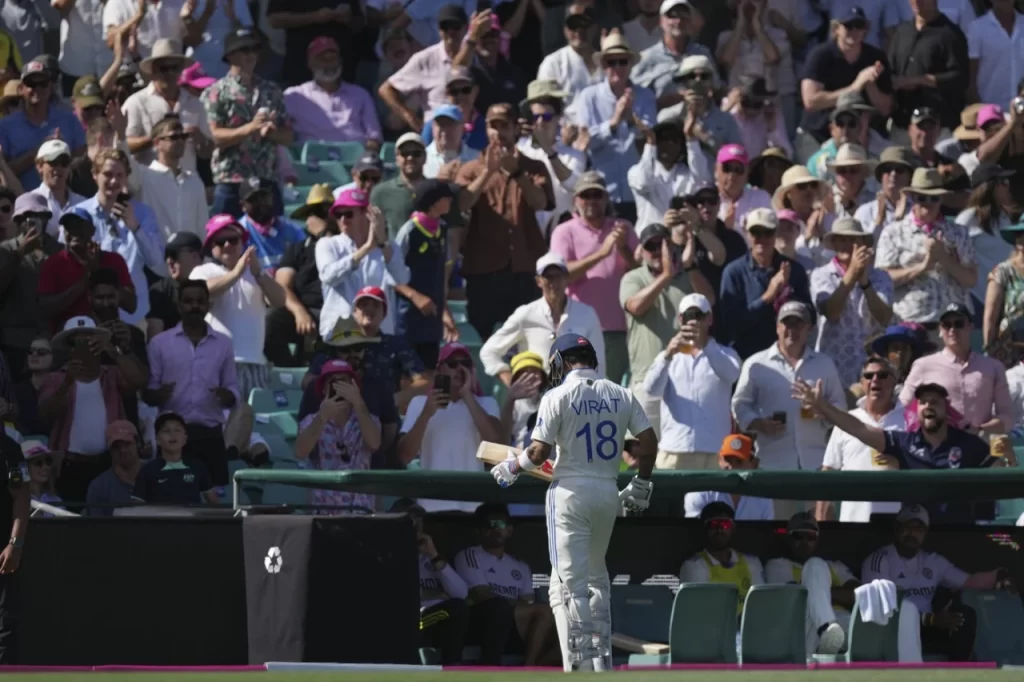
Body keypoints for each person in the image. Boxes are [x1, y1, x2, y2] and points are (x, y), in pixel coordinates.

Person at [489, 333, 658, 672]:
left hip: (570, 492)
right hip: (608, 491)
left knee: (569, 587)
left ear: (562, 362)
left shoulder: (557, 395)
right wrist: (642, 482)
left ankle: (578, 665)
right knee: (595, 577)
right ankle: (601, 662)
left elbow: (538, 453)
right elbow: (649, 442)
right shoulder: (621, 393)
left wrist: (511, 466)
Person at [793, 379, 1002, 523]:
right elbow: (858, 428)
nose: (928, 406)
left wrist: (1008, 455)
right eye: (922, 402)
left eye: (935, 402)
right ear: (916, 410)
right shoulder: (905, 443)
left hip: (958, 535)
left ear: (946, 409)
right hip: (916, 540)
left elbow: (1001, 473)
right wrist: (823, 405)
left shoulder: (968, 444)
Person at [732, 301, 846, 519]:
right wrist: (758, 423)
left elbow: (841, 407)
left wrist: (824, 411)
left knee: (815, 531)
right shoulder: (756, 363)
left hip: (816, 465)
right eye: (787, 323)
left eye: (798, 324)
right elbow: (739, 403)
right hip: (773, 464)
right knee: (776, 530)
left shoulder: (824, 364)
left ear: (809, 329)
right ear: (777, 327)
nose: (792, 330)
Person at [450, 102, 553, 341]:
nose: (498, 132)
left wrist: (517, 173)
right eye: (492, 126)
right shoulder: (471, 168)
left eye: (504, 126)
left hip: (524, 271)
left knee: (528, 343)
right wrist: (488, 171)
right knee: (484, 342)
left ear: (516, 128)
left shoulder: (533, 166)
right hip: (483, 272)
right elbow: (461, 205)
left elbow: (540, 203)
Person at [862, 504, 1015, 661]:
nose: (912, 533)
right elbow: (879, 607)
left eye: (919, 529)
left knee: (963, 616)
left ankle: (960, 671)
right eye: (907, 527)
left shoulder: (933, 561)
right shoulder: (880, 559)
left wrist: (998, 575)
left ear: (926, 533)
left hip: (927, 628)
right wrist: (930, 619)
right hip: (892, 632)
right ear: (896, 528)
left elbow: (968, 582)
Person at [144, 279, 240, 486]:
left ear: (209, 305)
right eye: (188, 301)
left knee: (215, 502)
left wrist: (226, 395)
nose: (194, 306)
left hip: (210, 436)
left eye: (200, 301)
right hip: (172, 435)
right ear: (179, 306)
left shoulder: (224, 344)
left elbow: (233, 389)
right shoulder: (160, 343)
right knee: (170, 501)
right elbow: (149, 393)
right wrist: (158, 394)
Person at [549, 173, 637, 384]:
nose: (591, 200)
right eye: (585, 195)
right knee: (579, 390)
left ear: (606, 198)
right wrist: (602, 253)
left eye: (596, 194)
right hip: (578, 327)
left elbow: (639, 273)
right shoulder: (564, 231)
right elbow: (560, 277)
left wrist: (623, 247)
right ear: (575, 200)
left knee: (611, 392)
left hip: (618, 328)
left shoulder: (622, 227)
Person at [190, 214, 287, 398]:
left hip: (255, 364)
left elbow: (279, 300)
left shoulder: (257, 274)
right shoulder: (202, 271)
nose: (227, 245)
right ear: (212, 246)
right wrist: (237, 273)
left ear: (242, 242)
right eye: (220, 241)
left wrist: (258, 274)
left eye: (233, 240)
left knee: (255, 422)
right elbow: (202, 293)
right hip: (217, 364)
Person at [397, 342, 501, 512]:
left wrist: (467, 394)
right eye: (452, 364)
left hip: (474, 509)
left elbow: (495, 448)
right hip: (431, 507)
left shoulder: (487, 403)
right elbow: (404, 456)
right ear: (440, 371)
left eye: (465, 364)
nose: (459, 368)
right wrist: (426, 414)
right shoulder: (419, 404)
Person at [620, 223, 704, 434]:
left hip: (683, 382)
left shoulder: (686, 278)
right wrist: (666, 275)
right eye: (651, 246)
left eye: (662, 244)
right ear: (642, 251)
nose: (657, 251)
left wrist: (690, 267)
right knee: (642, 455)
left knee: (677, 454)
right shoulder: (633, 278)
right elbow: (636, 307)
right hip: (645, 381)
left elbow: (709, 301)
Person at [643, 293, 741, 470]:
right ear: (680, 319)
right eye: (688, 316)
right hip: (675, 451)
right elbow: (651, 390)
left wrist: (705, 346)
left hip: (715, 452)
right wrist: (667, 355)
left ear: (709, 320)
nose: (693, 321)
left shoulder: (726, 354)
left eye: (699, 316)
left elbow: (731, 375)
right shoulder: (668, 356)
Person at [202, 28, 293, 218]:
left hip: (266, 177)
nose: (251, 55)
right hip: (231, 179)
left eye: (254, 49)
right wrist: (250, 128)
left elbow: (288, 136)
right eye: (244, 50)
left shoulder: (272, 90)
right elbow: (213, 136)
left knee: (273, 239)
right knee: (225, 236)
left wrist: (269, 132)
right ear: (230, 55)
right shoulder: (216, 92)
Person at [453, 504, 559, 666]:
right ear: (479, 531)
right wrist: (522, 607)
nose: (496, 529)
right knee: (538, 611)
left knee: (564, 629)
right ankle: (529, 668)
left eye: (501, 524)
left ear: (510, 530)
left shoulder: (520, 566)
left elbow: (528, 601)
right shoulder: (469, 555)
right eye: (489, 525)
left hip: (517, 623)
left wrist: (524, 608)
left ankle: (538, 667)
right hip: (482, 622)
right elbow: (482, 595)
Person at [73, 148, 168, 327]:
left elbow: (155, 260)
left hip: (133, 315)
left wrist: (135, 226)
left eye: (120, 175)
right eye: (108, 174)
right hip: (89, 313)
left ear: (126, 177)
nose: (114, 181)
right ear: (94, 174)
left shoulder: (143, 213)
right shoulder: (78, 213)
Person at [38, 317, 129, 502]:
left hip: (109, 465)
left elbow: (139, 382)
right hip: (69, 467)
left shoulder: (111, 373)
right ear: (68, 348)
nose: (81, 347)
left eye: (88, 341)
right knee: (71, 524)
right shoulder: (55, 378)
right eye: (75, 343)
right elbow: (44, 415)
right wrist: (67, 382)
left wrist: (114, 351)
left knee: (109, 525)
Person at [481, 252, 604, 385]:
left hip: (575, 397)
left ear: (567, 278)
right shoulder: (526, 314)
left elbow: (598, 365)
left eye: (559, 276)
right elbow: (489, 351)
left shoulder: (586, 314)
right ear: (538, 281)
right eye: (548, 277)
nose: (554, 282)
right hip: (535, 398)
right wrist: (510, 380)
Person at [875, 168, 978, 326]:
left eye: (934, 198)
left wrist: (945, 260)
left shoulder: (959, 232)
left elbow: (971, 279)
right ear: (912, 198)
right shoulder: (893, 232)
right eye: (922, 198)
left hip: (954, 324)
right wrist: (922, 267)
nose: (928, 204)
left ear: (941, 199)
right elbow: (882, 279)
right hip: (911, 322)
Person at [572, 33, 656, 221]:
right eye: (611, 62)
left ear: (630, 64)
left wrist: (630, 122)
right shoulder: (589, 97)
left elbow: (651, 140)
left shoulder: (645, 96)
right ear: (603, 66)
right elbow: (585, 142)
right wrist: (613, 123)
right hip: (602, 194)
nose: (617, 67)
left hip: (638, 193)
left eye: (622, 61)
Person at [899, 302, 1014, 434]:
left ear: (971, 327)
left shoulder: (993, 367)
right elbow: (902, 407)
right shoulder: (923, 365)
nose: (952, 330)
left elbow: (1007, 417)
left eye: (958, 324)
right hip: (937, 446)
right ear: (940, 331)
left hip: (978, 446)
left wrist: (980, 430)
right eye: (947, 325)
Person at [796, 9, 892, 163]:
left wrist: (870, 84)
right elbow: (810, 101)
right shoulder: (820, 55)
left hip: (860, 138)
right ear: (836, 29)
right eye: (848, 26)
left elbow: (885, 108)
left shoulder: (875, 57)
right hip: (818, 135)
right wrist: (856, 86)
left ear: (866, 30)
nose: (854, 31)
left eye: (859, 26)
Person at [818, 356, 904, 522]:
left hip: (898, 526)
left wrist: (902, 462)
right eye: (868, 376)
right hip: (853, 522)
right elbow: (828, 474)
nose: (875, 380)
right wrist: (822, 521)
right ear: (862, 383)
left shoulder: (909, 419)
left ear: (894, 382)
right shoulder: (846, 421)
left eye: (883, 375)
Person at [811, 216, 893, 388]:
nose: (846, 244)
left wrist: (865, 284)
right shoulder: (821, 275)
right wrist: (852, 274)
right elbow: (832, 312)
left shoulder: (880, 276)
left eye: (853, 239)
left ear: (863, 243)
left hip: (872, 371)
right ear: (833, 244)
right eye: (841, 239)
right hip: (834, 368)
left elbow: (884, 317)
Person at [719, 208, 812, 359]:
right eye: (756, 232)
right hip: (747, 359)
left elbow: (810, 316)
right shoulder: (734, 272)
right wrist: (768, 296)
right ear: (747, 234)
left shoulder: (794, 270)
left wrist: (788, 298)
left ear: (776, 233)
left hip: (788, 359)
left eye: (768, 232)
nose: (762, 238)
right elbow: (731, 326)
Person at [316, 189, 409, 339]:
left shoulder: (388, 247)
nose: (343, 219)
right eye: (338, 215)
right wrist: (366, 249)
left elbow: (401, 278)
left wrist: (382, 242)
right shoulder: (328, 244)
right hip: (339, 334)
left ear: (368, 216)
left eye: (349, 214)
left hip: (380, 333)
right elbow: (329, 276)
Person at [295, 359, 381, 514]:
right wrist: (322, 417)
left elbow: (374, 444)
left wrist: (358, 403)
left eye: (345, 382)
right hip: (324, 511)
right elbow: (300, 452)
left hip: (361, 512)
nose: (340, 388)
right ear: (323, 389)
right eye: (334, 382)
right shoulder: (311, 420)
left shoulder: (369, 419)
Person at [389, 498, 469, 666]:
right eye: (409, 520)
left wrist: (433, 555)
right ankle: (452, 666)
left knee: (457, 608)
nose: (415, 525)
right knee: (454, 609)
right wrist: (435, 593)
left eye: (419, 519)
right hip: (410, 620)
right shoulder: (388, 556)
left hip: (436, 619)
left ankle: (452, 666)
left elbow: (461, 594)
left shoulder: (431, 558)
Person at [764, 513, 857, 656]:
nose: (804, 541)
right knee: (814, 565)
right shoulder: (777, 565)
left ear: (817, 539)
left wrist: (818, 591)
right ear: (788, 538)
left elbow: (856, 595)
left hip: (843, 624)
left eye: (811, 536)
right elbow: (795, 600)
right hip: (806, 629)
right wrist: (835, 594)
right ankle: (826, 629)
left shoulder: (834, 566)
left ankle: (831, 634)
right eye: (798, 536)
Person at [265, 185, 335, 367]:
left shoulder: (345, 247)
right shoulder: (297, 249)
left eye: (328, 211)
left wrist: (325, 236)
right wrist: (299, 312)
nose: (324, 217)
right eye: (316, 212)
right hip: (305, 311)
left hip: (337, 313)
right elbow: (282, 286)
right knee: (272, 319)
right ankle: (287, 369)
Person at [394, 179, 459, 369]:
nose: (451, 201)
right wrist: (415, 296)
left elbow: (438, 277)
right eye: (447, 197)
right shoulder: (409, 231)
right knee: (411, 379)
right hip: (408, 322)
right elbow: (390, 275)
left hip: (432, 324)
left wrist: (444, 312)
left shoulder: (443, 229)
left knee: (430, 376)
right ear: (433, 202)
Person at [886, 0, 969, 144]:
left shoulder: (950, 34)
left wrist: (920, 80)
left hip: (937, 130)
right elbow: (890, 69)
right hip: (903, 125)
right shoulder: (902, 31)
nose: (917, 2)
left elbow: (960, 78)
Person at [122, 39, 211, 173]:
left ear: (181, 69)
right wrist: (158, 139)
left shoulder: (195, 103)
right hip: (150, 182)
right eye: (163, 68)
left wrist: (200, 139)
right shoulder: (136, 102)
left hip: (185, 182)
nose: (169, 73)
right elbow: (123, 145)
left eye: (174, 68)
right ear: (153, 70)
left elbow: (208, 152)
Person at [0, 57, 86, 190]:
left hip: (66, 202)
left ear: (50, 87)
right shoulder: (5, 126)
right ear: (21, 88)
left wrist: (62, 152)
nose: (37, 88)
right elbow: (3, 172)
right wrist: (38, 153)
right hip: (22, 203)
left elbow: (83, 166)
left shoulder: (70, 120)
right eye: (31, 84)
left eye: (42, 83)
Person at [0, 193, 61, 375]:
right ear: (17, 222)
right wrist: (19, 254)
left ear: (47, 219)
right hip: (14, 343)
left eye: (38, 216)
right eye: (25, 217)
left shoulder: (60, 252)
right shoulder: (5, 250)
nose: (31, 221)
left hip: (53, 342)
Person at [284, 37, 381, 145]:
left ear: (340, 61)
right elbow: (282, 135)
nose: (329, 64)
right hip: (311, 159)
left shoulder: (360, 95)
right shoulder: (294, 96)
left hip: (355, 158)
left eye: (333, 59)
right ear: (310, 64)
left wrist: (366, 158)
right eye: (323, 59)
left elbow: (374, 138)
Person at [678, 501, 765, 617]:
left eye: (725, 524)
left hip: (749, 631)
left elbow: (760, 605)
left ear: (733, 528)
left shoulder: (752, 563)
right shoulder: (694, 566)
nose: (719, 530)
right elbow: (698, 613)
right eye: (713, 525)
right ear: (705, 529)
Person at [627, 115, 711, 233]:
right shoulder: (635, 171)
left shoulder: (687, 173)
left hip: (683, 239)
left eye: (674, 140)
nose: (668, 144)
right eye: (663, 139)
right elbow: (643, 183)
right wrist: (650, 142)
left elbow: (703, 181)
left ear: (681, 147)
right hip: (650, 241)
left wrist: (690, 137)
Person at [958, 165, 1016, 315]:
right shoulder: (969, 218)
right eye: (1003, 181)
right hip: (975, 299)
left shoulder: (1003, 217)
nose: (1007, 186)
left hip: (1003, 298)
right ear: (989, 187)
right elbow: (954, 251)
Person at [133, 411, 218, 505]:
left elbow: (214, 504)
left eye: (177, 430)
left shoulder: (198, 467)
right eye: (166, 431)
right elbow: (137, 508)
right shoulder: (147, 470)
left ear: (185, 438)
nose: (172, 435)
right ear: (157, 440)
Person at [683, 433, 774, 520]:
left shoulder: (763, 497)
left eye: (738, 461)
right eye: (727, 460)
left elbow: (767, 533)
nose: (731, 466)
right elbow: (693, 531)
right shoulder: (701, 493)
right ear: (719, 460)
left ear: (754, 464)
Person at [536, 3, 603, 105]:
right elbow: (543, 105)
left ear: (595, 27)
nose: (579, 30)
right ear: (565, 29)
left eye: (584, 24)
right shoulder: (552, 63)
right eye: (573, 24)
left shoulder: (609, 62)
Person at [0, 426, 27, 663]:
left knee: (5, 620)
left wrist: (14, 544)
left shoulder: (9, 449)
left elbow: (21, 496)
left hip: (2, 549)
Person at [984, 219, 1024, 367]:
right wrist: (988, 347)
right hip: (1008, 348)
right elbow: (990, 315)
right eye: (1021, 234)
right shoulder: (1002, 271)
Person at [853, 146, 916, 240]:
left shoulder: (918, 209)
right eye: (887, 169)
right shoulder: (865, 212)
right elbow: (861, 248)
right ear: (880, 176)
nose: (893, 174)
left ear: (909, 177)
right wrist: (879, 220)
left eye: (900, 169)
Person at [28, 139, 84, 237]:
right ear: (40, 166)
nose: (59, 168)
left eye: (64, 163)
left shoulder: (82, 203)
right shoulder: (31, 202)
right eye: (53, 162)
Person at [85, 420, 141, 516]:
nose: (122, 450)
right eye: (116, 447)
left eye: (127, 444)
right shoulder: (98, 487)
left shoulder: (158, 476)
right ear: (110, 451)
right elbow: (96, 528)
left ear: (138, 443)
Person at [716, 143, 771, 233]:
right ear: (716, 169)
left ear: (747, 173)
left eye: (738, 169)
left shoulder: (761, 198)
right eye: (727, 168)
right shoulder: (706, 198)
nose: (732, 174)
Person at [14, 337, 53, 437]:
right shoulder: (16, 390)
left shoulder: (62, 388)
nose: (34, 354)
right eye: (31, 351)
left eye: (42, 352)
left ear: (54, 357)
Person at [23, 439, 61, 511]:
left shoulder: (56, 500)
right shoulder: (13, 499)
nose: (45, 467)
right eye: (38, 462)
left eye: (48, 461)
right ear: (24, 468)